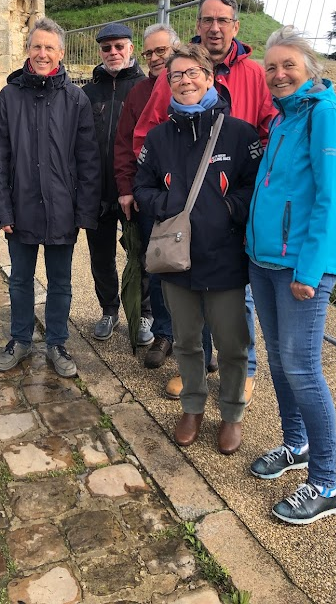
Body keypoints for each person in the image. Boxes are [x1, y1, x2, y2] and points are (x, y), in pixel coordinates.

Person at [133, 0, 277, 403]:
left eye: (223, 20)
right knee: (188, 301)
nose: (215, 27)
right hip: (183, 211)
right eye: (207, 20)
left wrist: (233, 202)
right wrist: (165, 198)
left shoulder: (251, 74)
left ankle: (242, 374)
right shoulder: (178, 72)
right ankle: (195, 370)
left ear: (236, 26)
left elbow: (267, 130)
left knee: (235, 302)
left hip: (230, 208)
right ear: (197, 26)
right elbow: (150, 131)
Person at [246, 26, 336, 524]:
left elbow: (330, 203)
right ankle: (296, 446)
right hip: (265, 261)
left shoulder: (325, 118)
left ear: (309, 67)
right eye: (271, 67)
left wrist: (309, 270)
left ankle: (327, 482)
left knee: (304, 369)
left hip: (301, 267)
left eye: (288, 64)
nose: (278, 74)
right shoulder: (285, 118)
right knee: (280, 364)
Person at [134, 44, 262, 455]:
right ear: (167, 83)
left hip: (224, 259)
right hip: (176, 260)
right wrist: (169, 206)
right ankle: (192, 406)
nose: (185, 81)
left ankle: (231, 413)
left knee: (232, 344)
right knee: (188, 341)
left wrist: (225, 208)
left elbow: (252, 187)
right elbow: (142, 187)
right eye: (176, 76)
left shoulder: (240, 134)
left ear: (210, 78)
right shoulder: (159, 137)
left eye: (192, 73)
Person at [0, 17, 100, 378]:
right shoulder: (9, 97)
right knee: (20, 279)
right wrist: (2, 210)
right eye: (36, 46)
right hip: (20, 207)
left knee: (61, 282)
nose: (42, 53)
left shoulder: (76, 99)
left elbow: (87, 160)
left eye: (49, 47)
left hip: (61, 208)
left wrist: (84, 213)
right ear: (27, 50)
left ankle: (57, 342)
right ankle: (20, 340)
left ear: (61, 53)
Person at [114, 23, 184, 369]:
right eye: (150, 53)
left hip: (192, 196)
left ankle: (199, 341)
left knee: (198, 267)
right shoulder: (139, 93)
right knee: (157, 264)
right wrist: (126, 188)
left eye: (162, 51)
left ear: (176, 49)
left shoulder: (192, 85)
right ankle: (164, 333)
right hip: (152, 195)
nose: (156, 58)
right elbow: (125, 143)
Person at [82, 22, 152, 345]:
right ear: (100, 51)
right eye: (107, 48)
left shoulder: (143, 88)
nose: (113, 53)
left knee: (141, 256)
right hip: (96, 190)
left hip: (133, 191)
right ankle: (108, 308)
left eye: (119, 47)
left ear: (131, 49)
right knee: (101, 255)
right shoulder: (88, 92)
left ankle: (144, 315)